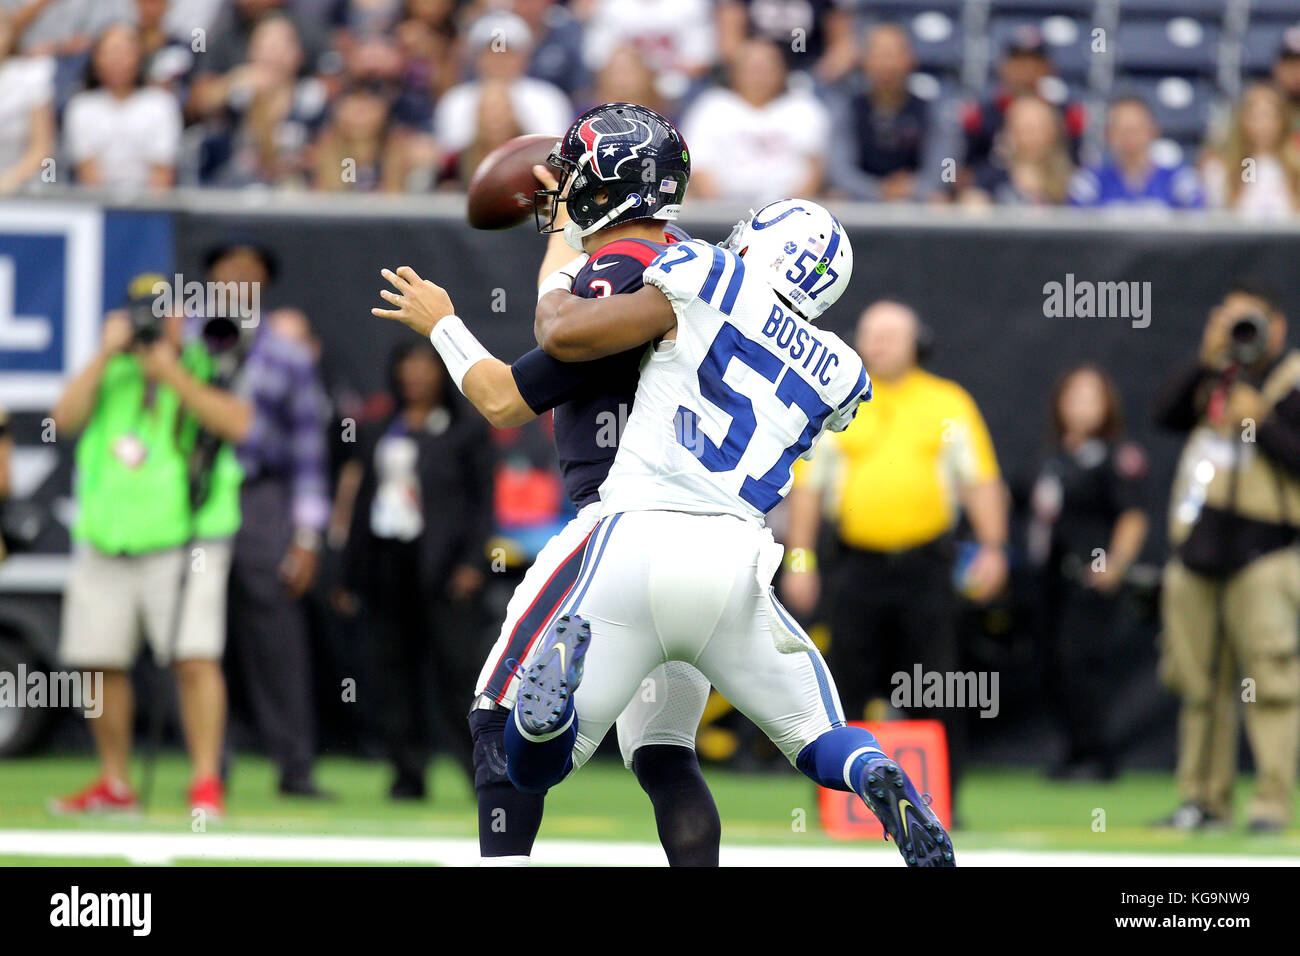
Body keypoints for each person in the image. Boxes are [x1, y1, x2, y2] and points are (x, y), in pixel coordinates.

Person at [387, 196, 954, 866]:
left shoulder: (703, 273)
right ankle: (869, 773)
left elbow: (562, 334)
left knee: (519, 751)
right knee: (809, 735)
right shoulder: (844, 371)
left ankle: (553, 721)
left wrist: (564, 237)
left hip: (635, 538)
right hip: (737, 566)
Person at [374, 103, 721, 867]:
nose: (561, 197)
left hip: (620, 529)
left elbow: (509, 387)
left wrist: (441, 323)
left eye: (575, 181)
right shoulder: (697, 270)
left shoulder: (616, 279)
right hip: (715, 539)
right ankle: (851, 762)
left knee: (497, 719)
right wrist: (572, 222)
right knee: (665, 756)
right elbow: (571, 305)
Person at [780, 299, 1008, 792]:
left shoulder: (948, 403)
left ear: (916, 344)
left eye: (890, 336)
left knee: (938, 688)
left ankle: (943, 802)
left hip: (926, 567)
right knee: (843, 688)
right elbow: (808, 492)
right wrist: (800, 562)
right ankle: (834, 805)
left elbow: (980, 481)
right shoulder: (839, 401)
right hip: (853, 567)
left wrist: (992, 548)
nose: (877, 345)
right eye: (871, 335)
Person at [49, 273, 251, 817]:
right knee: (96, 662)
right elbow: (61, 421)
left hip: (185, 540)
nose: (151, 322)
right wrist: (102, 353)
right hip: (106, 538)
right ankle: (115, 783)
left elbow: (238, 424)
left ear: (179, 317)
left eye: (162, 311)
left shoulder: (208, 359)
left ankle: (206, 782)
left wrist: (172, 372)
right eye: (142, 312)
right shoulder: (109, 371)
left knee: (193, 659)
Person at [1151, 280, 1300, 833]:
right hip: (1198, 550)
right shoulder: (1216, 374)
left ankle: (1269, 804)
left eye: (1250, 322)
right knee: (1198, 685)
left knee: (1271, 682)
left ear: (1276, 327)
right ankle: (1202, 800)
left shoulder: (1291, 381)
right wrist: (1205, 357)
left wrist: (1262, 421)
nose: (1241, 334)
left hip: (1266, 552)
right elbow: (1163, 414)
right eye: (1230, 320)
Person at [334, 342, 494, 799]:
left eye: (427, 368)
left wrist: (471, 563)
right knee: (392, 674)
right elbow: (362, 502)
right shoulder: (382, 429)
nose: (417, 377)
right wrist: (348, 575)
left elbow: (482, 504)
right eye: (409, 368)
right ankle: (407, 772)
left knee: (457, 673)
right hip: (389, 562)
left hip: (443, 569)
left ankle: (479, 773)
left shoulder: (464, 431)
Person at [209, 238, 333, 798]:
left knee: (276, 638)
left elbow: (310, 452)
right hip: (194, 493)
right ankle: (207, 767)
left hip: (262, 498)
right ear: (209, 278)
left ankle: (294, 767)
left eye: (250, 272)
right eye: (228, 269)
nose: (238, 279)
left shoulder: (287, 355)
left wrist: (307, 535)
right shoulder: (182, 343)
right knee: (197, 641)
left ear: (264, 283)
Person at [1027, 364, 1148, 781]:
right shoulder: (1055, 456)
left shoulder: (1115, 456)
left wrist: (1114, 564)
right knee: (1053, 664)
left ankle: (1099, 755)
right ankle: (1074, 750)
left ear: (1107, 406)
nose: (1079, 406)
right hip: (1051, 578)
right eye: (1072, 396)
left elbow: (1133, 515)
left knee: (1081, 663)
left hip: (1089, 575)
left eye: (1090, 397)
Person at [681, 36, 829, 205]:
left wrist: (788, 212)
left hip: (789, 214)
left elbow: (814, 168)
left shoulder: (803, 107)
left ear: (783, 71)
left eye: (767, 68)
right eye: (751, 68)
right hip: (722, 215)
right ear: (734, 71)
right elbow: (698, 167)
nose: (758, 76)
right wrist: (723, 213)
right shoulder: (712, 106)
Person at [432, 11, 572, 163]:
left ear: (524, 56)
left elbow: (556, 156)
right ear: (477, 57)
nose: (499, 60)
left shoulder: (548, 98)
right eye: (491, 53)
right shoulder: (456, 100)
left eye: (508, 53)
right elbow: (451, 159)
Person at [828, 23, 944, 203]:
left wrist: (912, 188)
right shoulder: (847, 110)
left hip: (917, 202)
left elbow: (944, 170)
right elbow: (840, 172)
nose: (887, 64)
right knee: (836, 199)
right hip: (861, 201)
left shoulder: (932, 112)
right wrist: (879, 190)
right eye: (879, 54)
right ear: (864, 60)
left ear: (910, 59)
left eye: (894, 54)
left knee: (940, 201)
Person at [63, 22, 182, 189]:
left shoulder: (161, 103)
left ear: (139, 57)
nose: (117, 60)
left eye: (124, 52)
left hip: (150, 207)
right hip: (99, 205)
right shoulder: (81, 106)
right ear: (96, 59)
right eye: (109, 53)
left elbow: (162, 174)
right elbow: (87, 173)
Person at [1069, 97, 1204, 210]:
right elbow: (1072, 223)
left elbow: (1200, 220)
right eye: (1122, 130)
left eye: (1136, 129)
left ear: (1153, 131)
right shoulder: (1091, 181)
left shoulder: (1179, 179)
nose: (1129, 137)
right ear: (1108, 135)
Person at [1202, 83, 1300, 219]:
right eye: (1255, 117)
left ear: (1282, 120)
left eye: (1269, 116)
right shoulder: (1224, 166)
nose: (1263, 125)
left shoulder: (1294, 164)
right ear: (1242, 120)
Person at [962, 95, 1073, 207]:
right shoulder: (990, 178)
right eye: (1024, 129)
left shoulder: (1072, 181)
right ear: (1009, 133)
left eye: (1038, 129)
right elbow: (972, 211)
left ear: (1053, 133)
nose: (1031, 137)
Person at [0, 11, 53, 194]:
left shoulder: (32, 76)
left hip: (22, 188)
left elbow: (42, 147)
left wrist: (10, 180)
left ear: (11, 34)